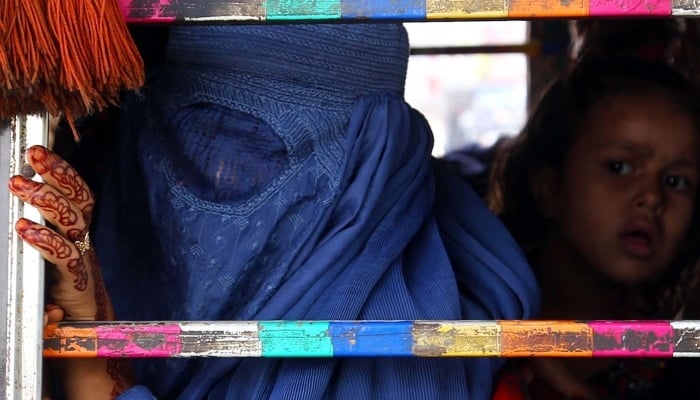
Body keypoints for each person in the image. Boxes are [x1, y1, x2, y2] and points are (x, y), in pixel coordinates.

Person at [8, 23, 539, 399]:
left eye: (260, 151)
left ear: (374, 175)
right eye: (197, 141)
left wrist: (91, 366)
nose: (222, 177)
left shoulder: (424, 359)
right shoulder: (56, 290)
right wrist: (85, 324)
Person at [488, 56, 700, 399]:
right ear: (550, 188)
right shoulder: (469, 320)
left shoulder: (679, 362)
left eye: (676, 181)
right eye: (619, 166)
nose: (652, 197)